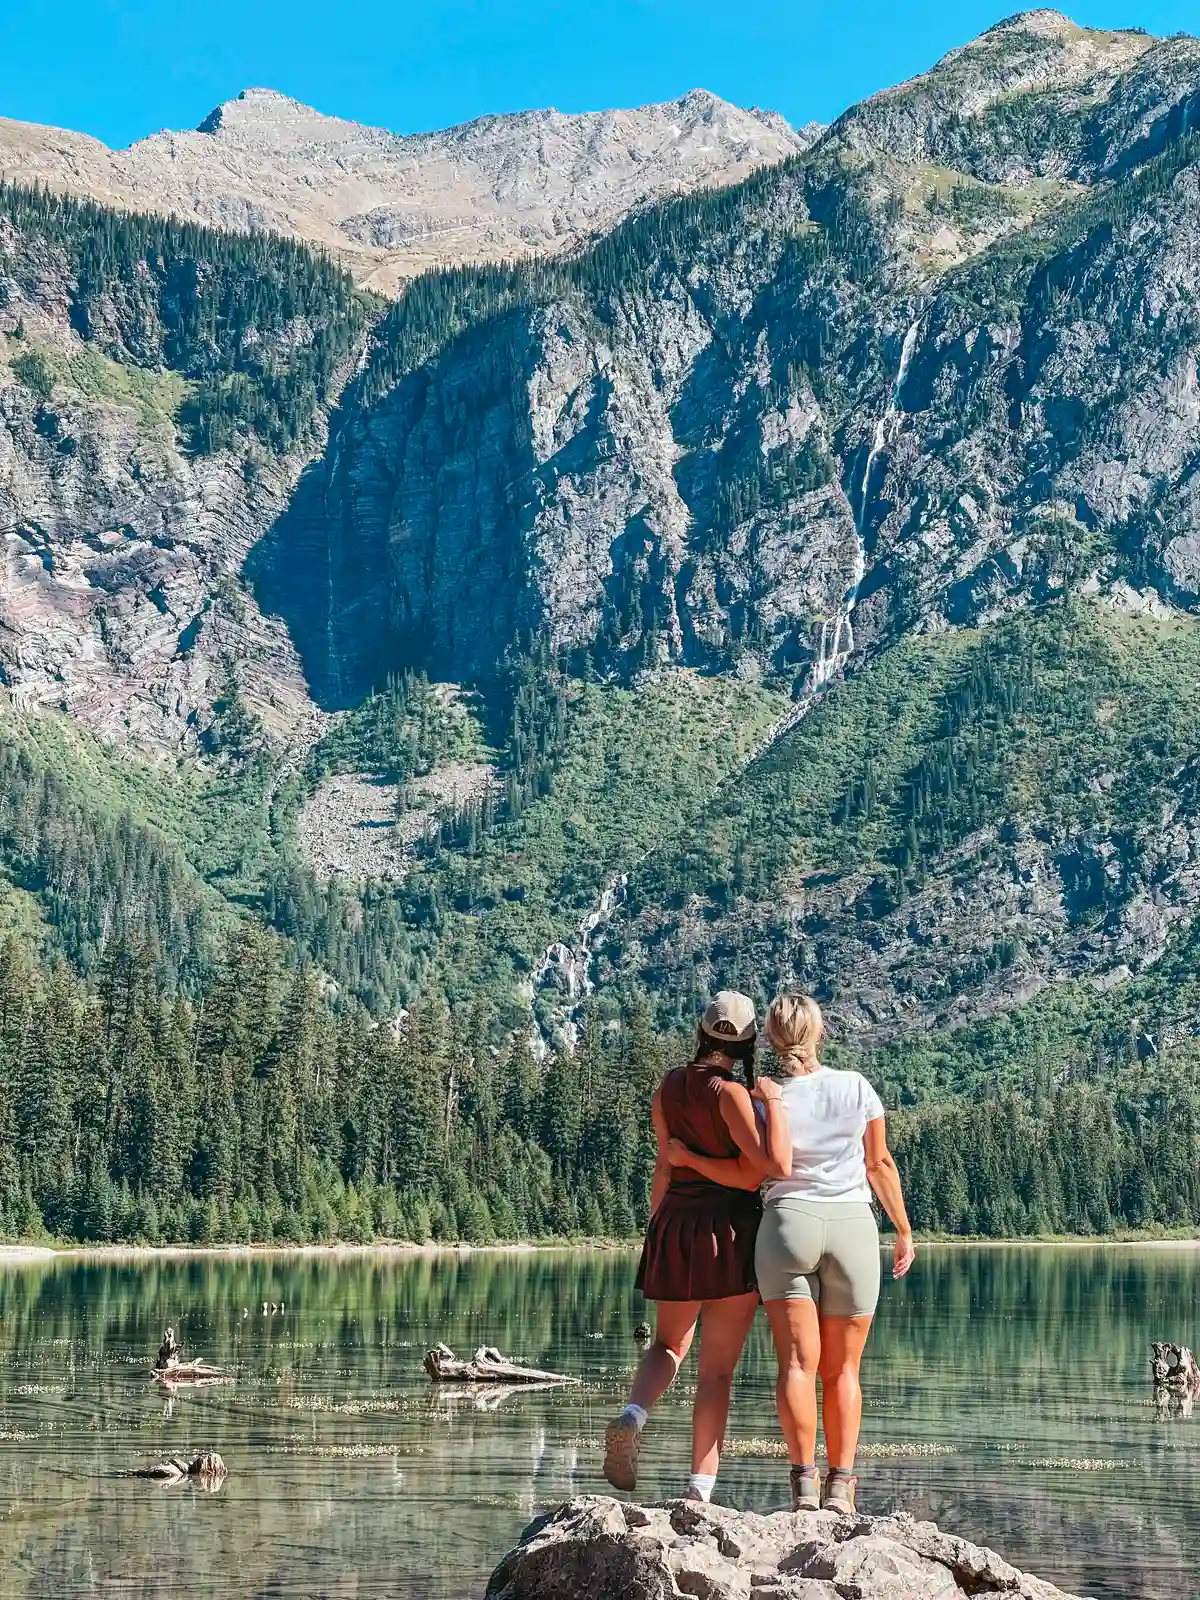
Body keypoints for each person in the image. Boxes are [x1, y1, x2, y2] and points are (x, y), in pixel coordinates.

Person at [666, 992, 914, 1517]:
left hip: (785, 1227)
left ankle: (804, 1487)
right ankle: (841, 1489)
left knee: (796, 1365)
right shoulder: (856, 1087)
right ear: (819, 1034)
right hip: (851, 1227)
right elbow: (880, 1164)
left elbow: (750, 1163)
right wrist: (903, 1230)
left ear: (771, 1041)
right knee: (844, 1371)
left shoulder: (759, 1094)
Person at [603, 990, 791, 1503]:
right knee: (716, 1371)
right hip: (729, 1233)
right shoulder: (730, 1095)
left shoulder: (667, 1088)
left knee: (667, 1347)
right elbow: (760, 1170)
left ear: (701, 1033)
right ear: (748, 1043)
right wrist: (768, 1104)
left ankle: (634, 1415)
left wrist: (657, 1227)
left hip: (675, 1224)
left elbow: (665, 1164)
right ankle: (698, 1492)